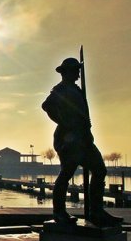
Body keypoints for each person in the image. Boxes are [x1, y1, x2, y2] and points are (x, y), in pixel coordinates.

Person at [42, 57, 123, 227]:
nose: (78, 73)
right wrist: (64, 122)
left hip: (83, 137)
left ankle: (96, 211)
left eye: (79, 70)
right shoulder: (61, 89)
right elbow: (46, 105)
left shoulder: (76, 90)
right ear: (66, 72)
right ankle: (59, 212)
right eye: (75, 70)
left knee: (99, 169)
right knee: (67, 173)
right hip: (69, 139)